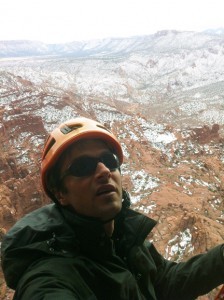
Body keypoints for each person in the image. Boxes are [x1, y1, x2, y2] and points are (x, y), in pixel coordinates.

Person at [1, 117, 224, 300]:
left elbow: (166, 283)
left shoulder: (125, 239)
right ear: (60, 193)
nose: (104, 171)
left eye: (109, 160)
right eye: (83, 166)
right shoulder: (51, 277)